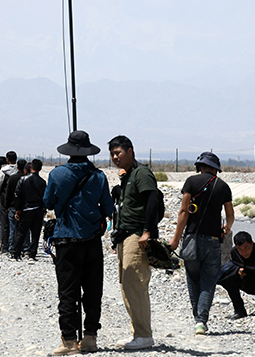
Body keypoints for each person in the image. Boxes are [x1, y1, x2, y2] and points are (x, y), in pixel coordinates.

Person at [44, 130, 114, 355]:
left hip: (66, 239)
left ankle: (69, 341)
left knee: (67, 291)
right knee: (93, 290)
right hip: (92, 240)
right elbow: (109, 209)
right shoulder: (99, 176)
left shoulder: (57, 174)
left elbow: (48, 201)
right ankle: (91, 337)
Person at [170, 152, 234, 335]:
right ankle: (201, 321)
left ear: (200, 167)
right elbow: (230, 215)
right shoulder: (223, 187)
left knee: (193, 278)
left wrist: (175, 239)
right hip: (213, 241)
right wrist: (226, 227)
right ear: (216, 168)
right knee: (208, 282)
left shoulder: (191, 182)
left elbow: (184, 212)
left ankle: (197, 317)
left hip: (191, 239)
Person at [108, 135, 163, 350]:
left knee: (135, 281)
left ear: (130, 151)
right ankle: (137, 332)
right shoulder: (128, 175)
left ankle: (144, 334)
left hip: (137, 234)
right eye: (112, 154)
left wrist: (147, 231)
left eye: (118, 153)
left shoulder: (142, 173)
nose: (115, 157)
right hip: (124, 235)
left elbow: (153, 200)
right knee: (126, 284)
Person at [12, 159, 47, 260]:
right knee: (36, 233)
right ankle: (32, 254)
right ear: (40, 169)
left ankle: (16, 253)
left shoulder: (23, 180)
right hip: (38, 209)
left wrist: (17, 209)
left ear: (31, 167)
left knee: (21, 232)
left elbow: (17, 195)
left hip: (26, 209)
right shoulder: (42, 182)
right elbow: (45, 197)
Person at [0, 152, 19, 253]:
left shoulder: (3, 171)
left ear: (7, 160)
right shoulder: (19, 170)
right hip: (17, 201)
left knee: (3, 224)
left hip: (4, 200)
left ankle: (4, 246)